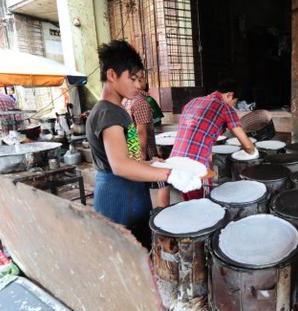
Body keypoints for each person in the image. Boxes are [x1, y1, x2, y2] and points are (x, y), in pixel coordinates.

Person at [86, 40, 199, 246]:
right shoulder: (107, 113)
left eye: (140, 79)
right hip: (117, 198)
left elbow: (133, 158)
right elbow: (121, 166)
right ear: (112, 75)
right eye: (133, 78)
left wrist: (156, 164)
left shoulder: (120, 111)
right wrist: (170, 174)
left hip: (132, 195)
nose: (139, 85)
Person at [170, 79, 257, 200]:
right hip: (195, 168)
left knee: (189, 203)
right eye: (234, 102)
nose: (233, 105)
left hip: (175, 163)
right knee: (202, 205)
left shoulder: (192, 102)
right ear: (229, 95)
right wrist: (254, 152)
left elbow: (197, 135)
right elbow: (248, 147)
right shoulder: (226, 108)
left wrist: (209, 162)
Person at [122, 70, 171, 208]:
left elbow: (131, 130)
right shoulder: (141, 102)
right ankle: (163, 212)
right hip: (147, 151)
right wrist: (142, 158)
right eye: (142, 78)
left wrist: (133, 153)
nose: (145, 80)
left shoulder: (127, 100)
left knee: (141, 185)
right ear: (139, 81)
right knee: (163, 181)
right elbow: (140, 132)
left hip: (132, 148)